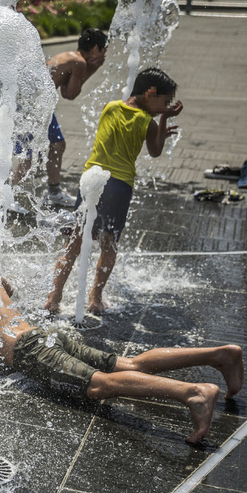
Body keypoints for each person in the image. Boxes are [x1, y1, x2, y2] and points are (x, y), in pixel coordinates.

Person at [0, 248, 244, 445]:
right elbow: (6, 287)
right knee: (130, 365)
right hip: (43, 334)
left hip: (29, 350)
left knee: (100, 386)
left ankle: (193, 393)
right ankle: (220, 355)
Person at [44, 68, 183, 315]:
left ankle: (54, 297)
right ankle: (95, 297)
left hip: (91, 179)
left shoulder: (111, 107)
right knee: (108, 244)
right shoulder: (147, 122)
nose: (164, 108)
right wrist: (162, 122)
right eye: (164, 103)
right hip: (119, 185)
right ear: (150, 93)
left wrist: (159, 116)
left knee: (76, 239)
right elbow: (155, 151)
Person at [13, 28, 108, 209]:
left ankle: (54, 192)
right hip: (32, 106)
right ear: (95, 49)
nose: (104, 55)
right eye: (104, 51)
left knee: (57, 146)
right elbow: (70, 94)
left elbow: (64, 90)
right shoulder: (79, 62)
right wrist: (94, 67)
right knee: (32, 157)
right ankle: (5, 197)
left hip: (33, 104)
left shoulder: (71, 56)